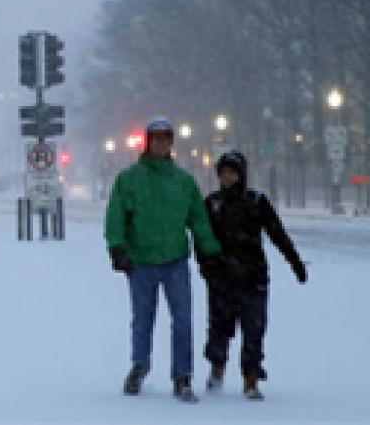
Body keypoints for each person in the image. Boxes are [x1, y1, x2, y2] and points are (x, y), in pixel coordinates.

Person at [105, 116, 222, 403]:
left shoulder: (183, 181)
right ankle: (139, 366)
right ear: (149, 142)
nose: (160, 143)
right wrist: (118, 247)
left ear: (171, 143)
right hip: (141, 261)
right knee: (142, 319)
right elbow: (115, 217)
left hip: (175, 260)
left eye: (165, 139)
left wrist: (210, 250)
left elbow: (198, 219)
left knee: (182, 320)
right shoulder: (128, 179)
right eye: (156, 138)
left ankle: (182, 376)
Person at [199, 151, 307, 401]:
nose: (228, 177)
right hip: (222, 277)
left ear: (241, 174)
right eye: (223, 173)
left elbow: (277, 233)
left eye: (232, 172)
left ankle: (251, 376)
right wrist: (208, 269)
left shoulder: (256, 201)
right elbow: (202, 239)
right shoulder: (212, 203)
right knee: (219, 329)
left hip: (253, 276)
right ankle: (217, 370)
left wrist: (295, 262)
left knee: (254, 330)